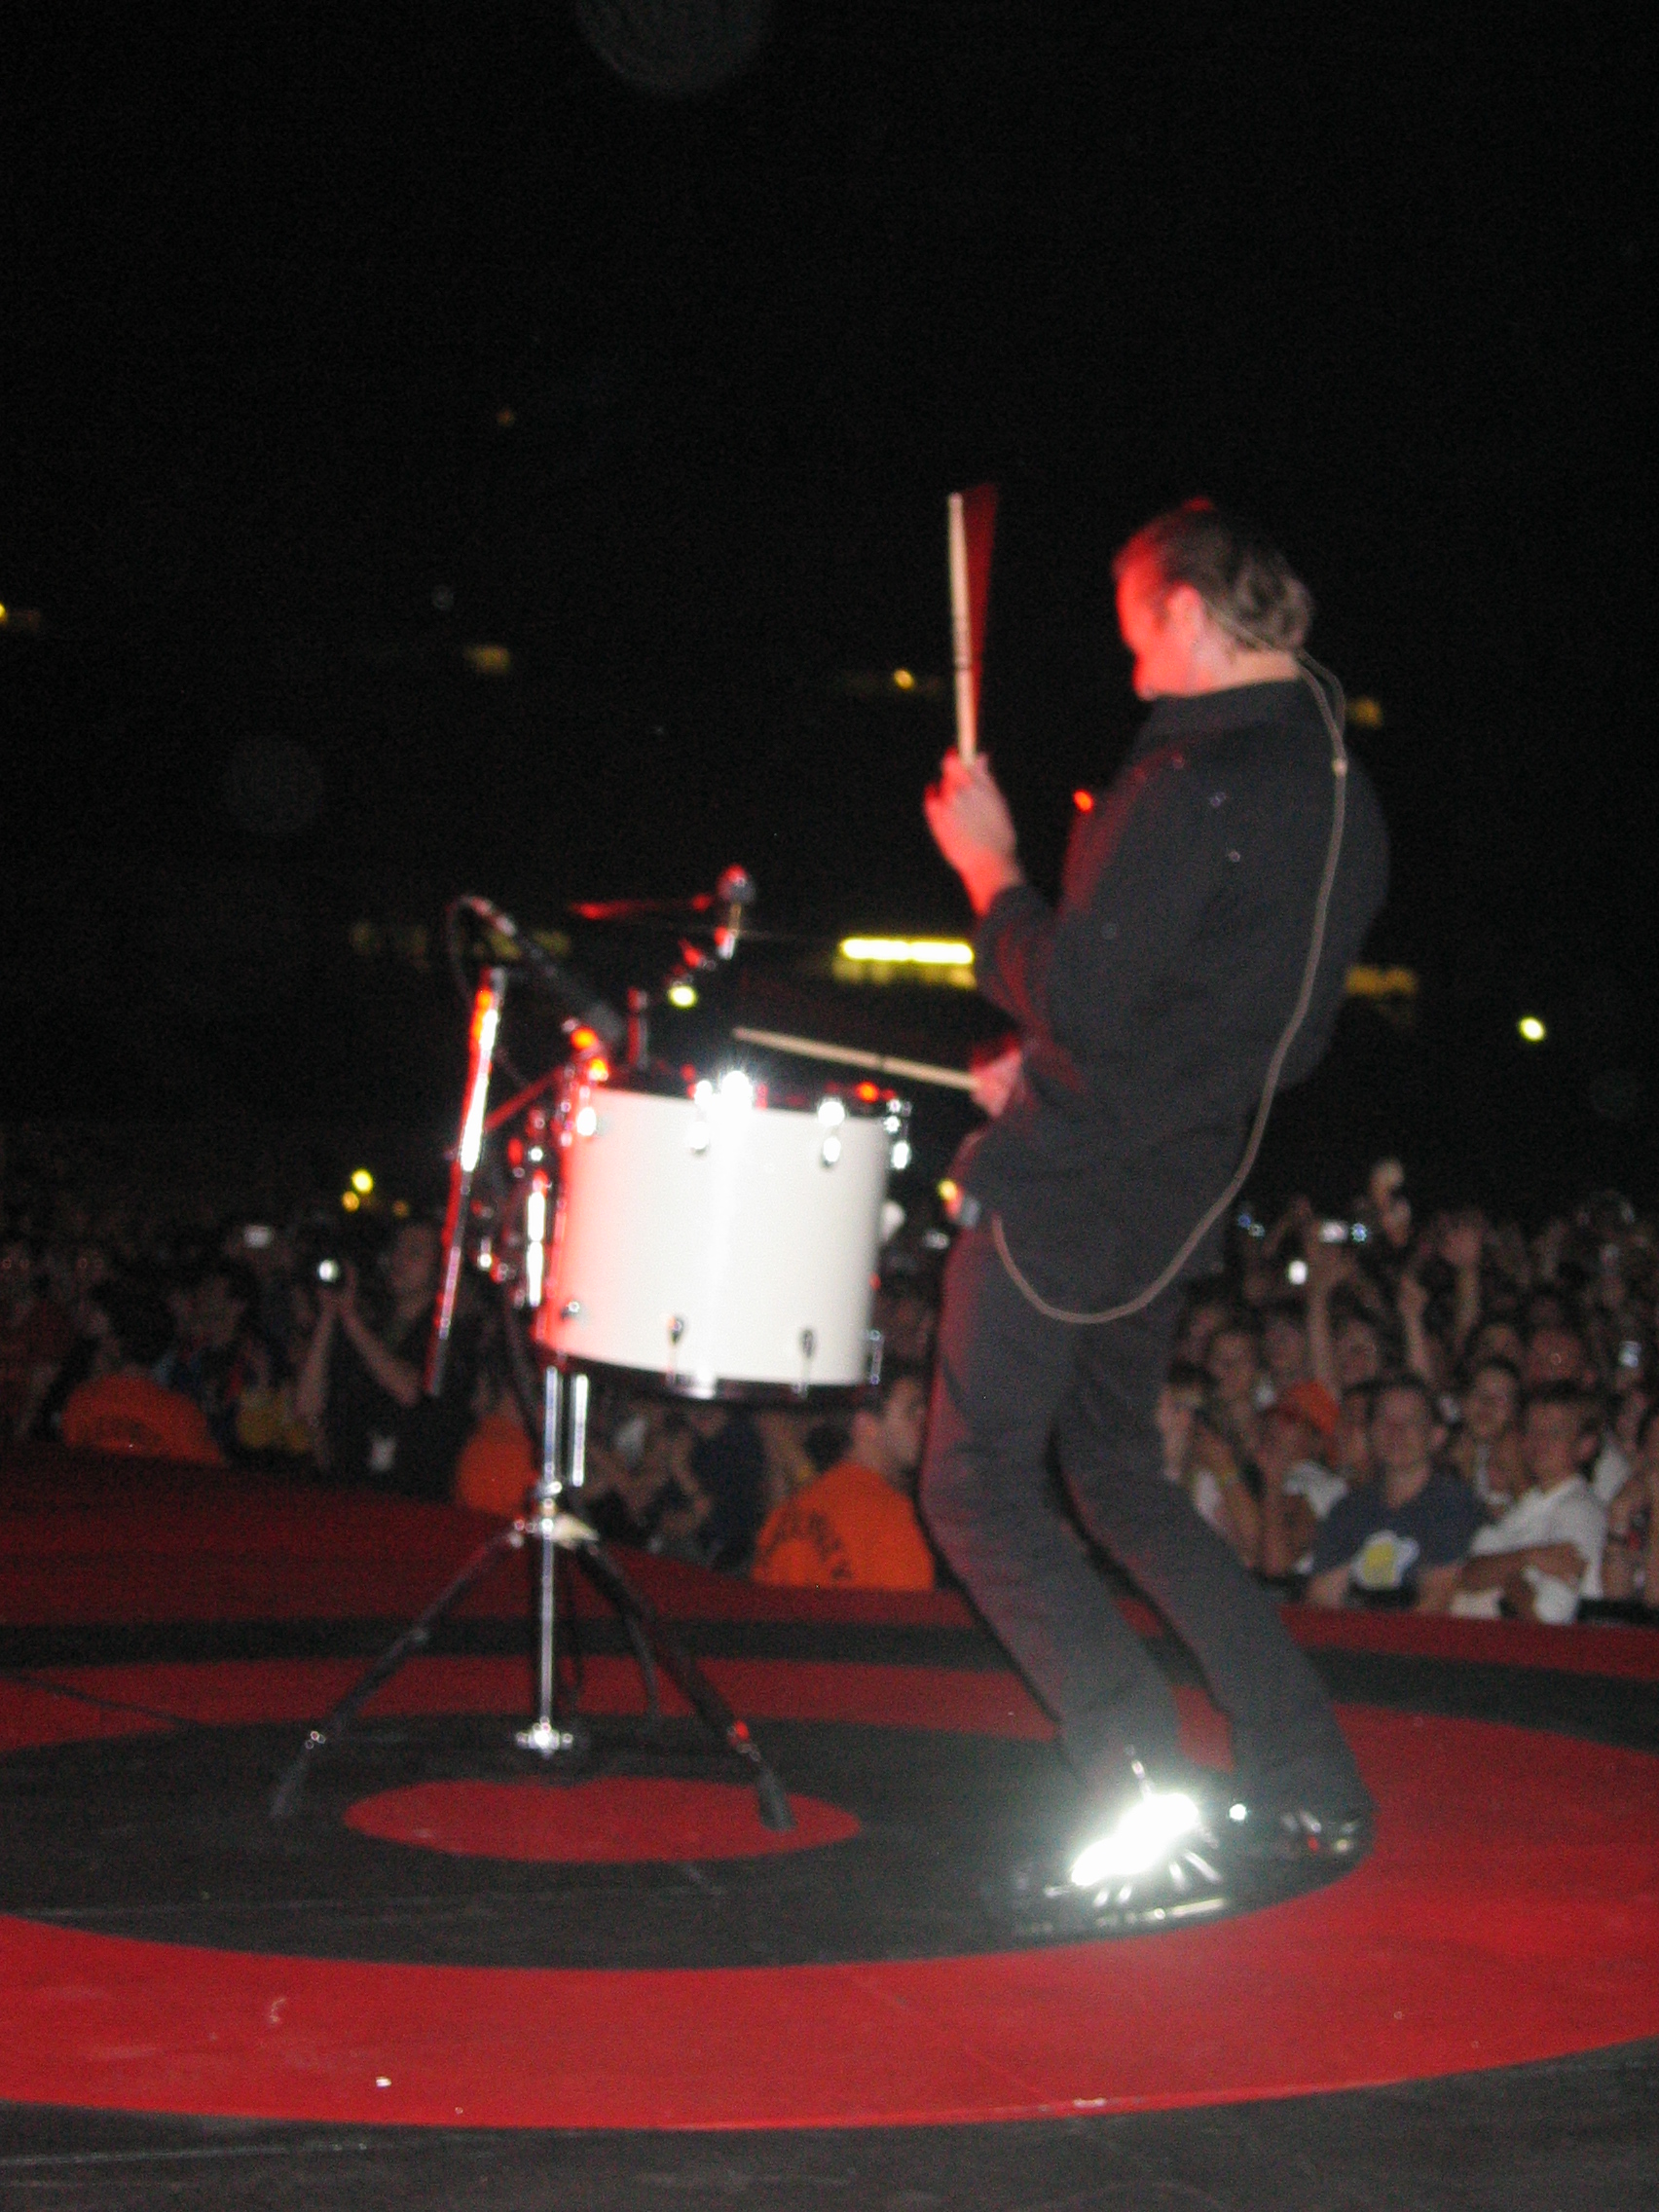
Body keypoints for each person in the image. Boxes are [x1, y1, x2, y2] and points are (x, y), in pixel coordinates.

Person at [920, 499, 1389, 1923]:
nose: (1133, 673)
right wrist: (1063, 1068)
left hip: (1075, 1190)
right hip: (1177, 1186)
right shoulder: (1341, 792)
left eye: (1138, 638)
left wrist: (990, 871)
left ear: (1188, 613)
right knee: (1116, 1471)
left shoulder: (1192, 778)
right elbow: (1241, 1028)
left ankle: (1138, 1792)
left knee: (974, 1483)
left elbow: (1079, 987)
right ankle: (1306, 1773)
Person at [1306, 1377, 1484, 1611]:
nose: (1396, 1432)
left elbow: (1437, 1598)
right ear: (1370, 1432)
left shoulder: (1452, 1504)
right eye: (1385, 1420)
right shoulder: (1349, 1510)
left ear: (1436, 1436)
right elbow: (1323, 1599)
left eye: (1411, 1421)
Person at [752, 1366, 934, 1590]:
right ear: (865, 1425)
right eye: (912, 1411)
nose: (926, 1422)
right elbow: (908, 1610)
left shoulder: (786, 1514)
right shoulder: (892, 1518)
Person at [1450, 1384, 1606, 1623]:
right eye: (1532, 1430)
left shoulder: (1579, 1511)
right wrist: (1527, 1558)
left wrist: (1505, 1576)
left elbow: (1547, 1620)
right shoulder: (1529, 1504)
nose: (1539, 1441)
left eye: (1554, 1432)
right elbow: (1467, 1575)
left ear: (1584, 1446)